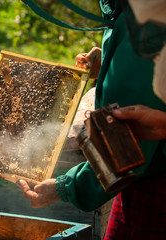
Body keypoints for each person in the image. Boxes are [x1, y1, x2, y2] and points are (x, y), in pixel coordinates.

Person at [17, 0, 166, 239]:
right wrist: (110, 59)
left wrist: (65, 187)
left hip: (153, 191)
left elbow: (127, 148)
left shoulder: (147, 24)